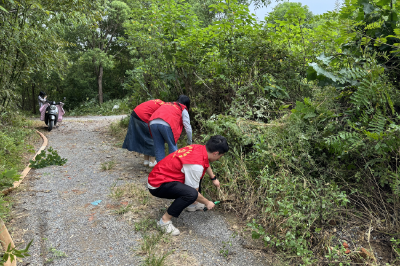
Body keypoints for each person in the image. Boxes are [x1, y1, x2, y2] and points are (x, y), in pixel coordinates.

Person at [147, 135, 229, 236]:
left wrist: (213, 178)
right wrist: (207, 202)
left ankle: (192, 204)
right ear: (215, 153)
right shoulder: (196, 166)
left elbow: (205, 163)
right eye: (220, 156)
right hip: (157, 185)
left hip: (162, 176)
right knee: (191, 194)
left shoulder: (199, 148)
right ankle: (164, 221)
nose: (219, 158)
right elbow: (193, 190)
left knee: (195, 183)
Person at [149, 95, 192, 165]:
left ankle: (161, 170)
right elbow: (188, 127)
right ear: (186, 104)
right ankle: (174, 168)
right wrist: (189, 142)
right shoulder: (183, 108)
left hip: (152, 122)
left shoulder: (167, 104)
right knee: (172, 145)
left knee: (158, 147)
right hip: (166, 123)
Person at [122, 99, 165, 167]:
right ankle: (152, 161)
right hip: (143, 117)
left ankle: (146, 161)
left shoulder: (159, 102)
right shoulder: (164, 107)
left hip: (135, 114)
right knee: (152, 138)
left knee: (145, 138)